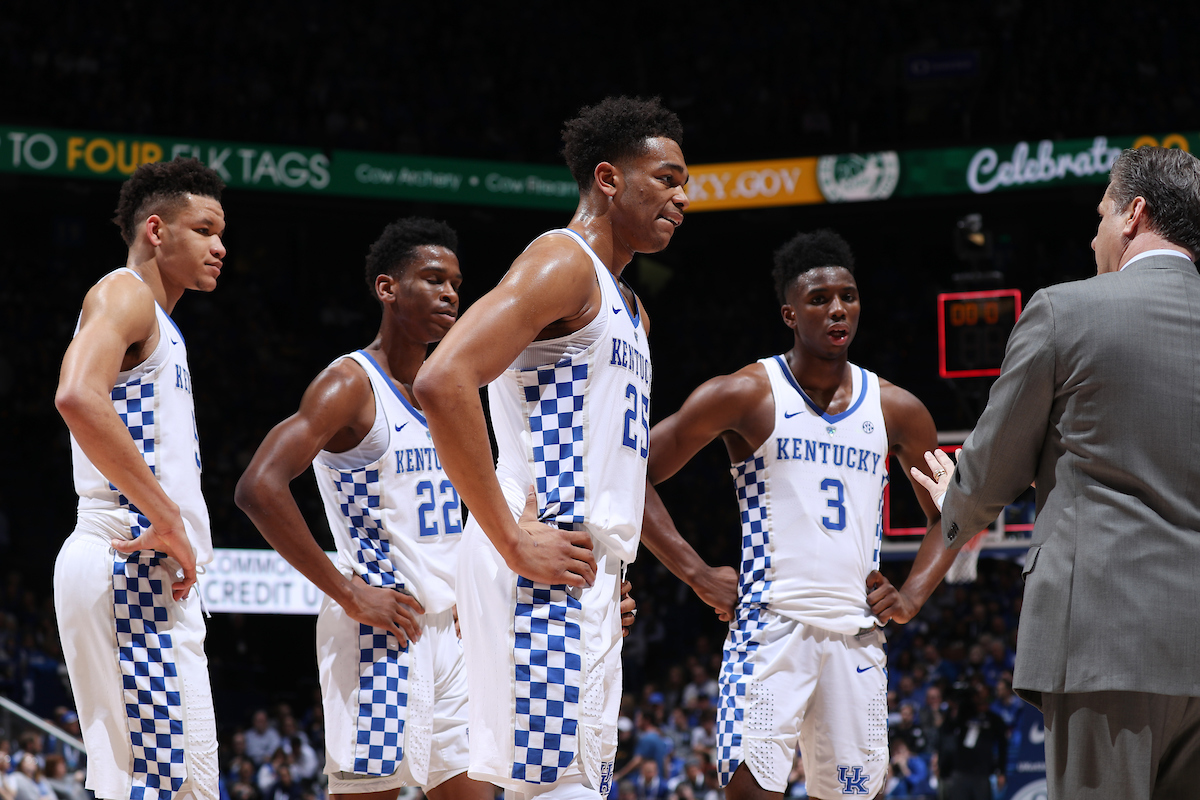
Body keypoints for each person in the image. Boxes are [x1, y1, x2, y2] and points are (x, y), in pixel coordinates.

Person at [412, 96, 689, 800]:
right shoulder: (562, 261)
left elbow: (617, 464)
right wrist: (509, 539)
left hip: (584, 569)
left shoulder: (634, 308)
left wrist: (620, 571)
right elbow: (443, 379)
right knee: (554, 790)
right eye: (666, 178)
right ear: (608, 179)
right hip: (538, 551)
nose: (681, 197)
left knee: (577, 785)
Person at [913, 145, 1200, 799]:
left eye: (1101, 211)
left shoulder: (1065, 310)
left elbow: (989, 470)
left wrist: (955, 508)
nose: (1093, 230)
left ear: (1134, 214)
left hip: (1106, 637)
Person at [640, 229, 959, 800]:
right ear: (789, 313)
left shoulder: (897, 409)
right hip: (769, 629)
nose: (838, 308)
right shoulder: (744, 393)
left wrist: (912, 595)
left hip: (858, 638)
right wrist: (697, 574)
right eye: (819, 299)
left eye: (849, 296)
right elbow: (632, 474)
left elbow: (953, 516)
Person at [234, 218, 492, 800]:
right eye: (432, 279)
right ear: (387, 288)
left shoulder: (450, 392)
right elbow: (259, 487)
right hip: (381, 631)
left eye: (456, 282)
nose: (450, 293)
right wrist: (347, 593)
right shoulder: (349, 384)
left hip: (453, 632)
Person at [52, 157, 226, 800]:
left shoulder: (163, 326)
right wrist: (168, 515)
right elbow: (76, 395)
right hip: (127, 551)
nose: (220, 246)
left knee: (183, 787)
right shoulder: (124, 292)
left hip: (147, 563)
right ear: (156, 230)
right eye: (205, 229)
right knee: (158, 787)